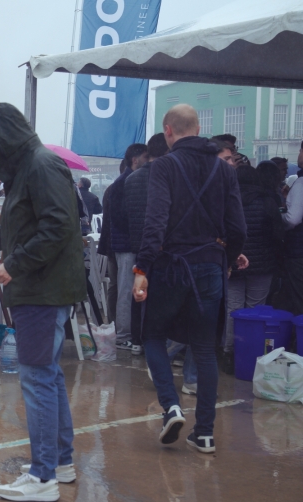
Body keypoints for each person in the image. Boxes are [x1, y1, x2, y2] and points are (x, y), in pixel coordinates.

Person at [0, 103, 84, 501]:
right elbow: (28, 224)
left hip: (43, 291)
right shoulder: (28, 166)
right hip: (39, 287)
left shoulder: (41, 165)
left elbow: (58, 226)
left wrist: (14, 263)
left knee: (37, 378)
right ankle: (60, 463)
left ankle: (43, 477)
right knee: (47, 376)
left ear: (6, 135)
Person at [133, 104, 246, 455]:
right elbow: (238, 228)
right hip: (211, 266)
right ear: (199, 128)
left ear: (168, 131)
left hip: (170, 266)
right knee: (204, 348)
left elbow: (155, 223)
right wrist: (226, 259)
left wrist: (142, 269)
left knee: (151, 334)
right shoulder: (224, 169)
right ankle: (206, 434)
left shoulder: (164, 166)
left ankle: (172, 406)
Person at [224, 164, 284, 373]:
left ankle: (229, 352)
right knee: (255, 309)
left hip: (234, 262)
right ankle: (250, 352)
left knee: (233, 309)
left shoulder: (228, 201)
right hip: (263, 265)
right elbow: (279, 232)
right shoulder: (267, 201)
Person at [123, 133, 169, 357]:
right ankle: (159, 343)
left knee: (138, 293)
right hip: (162, 245)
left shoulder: (131, 179)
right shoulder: (167, 176)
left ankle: (137, 340)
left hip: (137, 244)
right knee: (161, 297)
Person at [108, 143, 148, 352]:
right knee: (125, 290)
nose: (148, 161)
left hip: (129, 243)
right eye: (145, 157)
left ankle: (128, 334)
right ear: (135, 159)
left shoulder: (128, 181)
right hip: (126, 245)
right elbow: (120, 216)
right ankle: (123, 335)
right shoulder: (122, 183)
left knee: (130, 289)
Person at [279, 140, 303, 316]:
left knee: (299, 297)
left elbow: (293, 219)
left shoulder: (301, 184)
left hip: (298, 251)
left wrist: (279, 217)